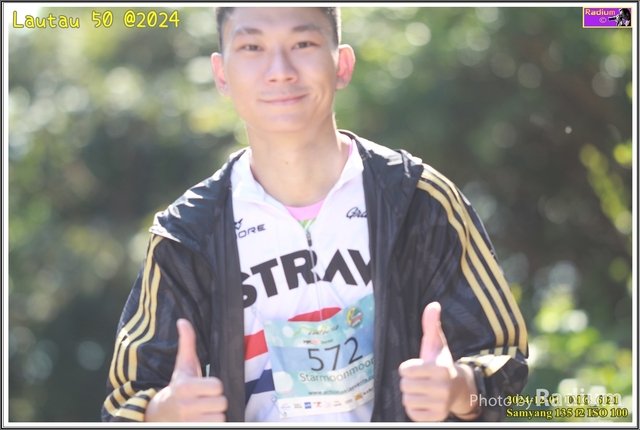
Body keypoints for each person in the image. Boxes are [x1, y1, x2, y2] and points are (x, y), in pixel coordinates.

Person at [101, 6, 528, 423]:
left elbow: (503, 361)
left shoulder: (418, 199)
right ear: (221, 74)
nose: (280, 71)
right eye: (252, 47)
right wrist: (163, 412)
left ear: (342, 64)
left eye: (303, 43)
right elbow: (123, 403)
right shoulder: (187, 234)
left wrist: (457, 389)